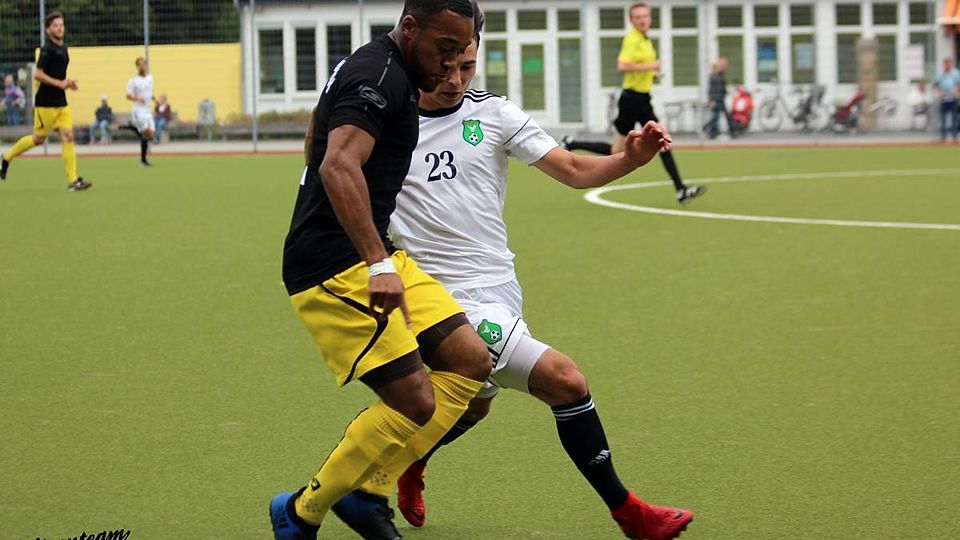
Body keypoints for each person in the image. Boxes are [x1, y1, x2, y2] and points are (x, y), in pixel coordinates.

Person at [332, 12, 694, 540]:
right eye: (446, 66)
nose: (455, 78)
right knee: (566, 381)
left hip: (500, 287)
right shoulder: (387, 124)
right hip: (442, 301)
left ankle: (411, 463)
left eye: (467, 66)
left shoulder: (494, 113)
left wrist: (629, 160)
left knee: (473, 408)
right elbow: (337, 177)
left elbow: (573, 169)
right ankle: (630, 512)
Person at [268, 2, 491, 540]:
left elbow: (317, 136)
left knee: (469, 361)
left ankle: (368, 492)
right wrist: (376, 262)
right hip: (333, 265)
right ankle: (302, 510)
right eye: (444, 49)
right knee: (414, 399)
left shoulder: (381, 65)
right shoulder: (379, 77)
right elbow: (336, 163)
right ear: (410, 28)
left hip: (373, 251)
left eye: (461, 53)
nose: (451, 66)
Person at [562, 2, 704, 204]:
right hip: (632, 101)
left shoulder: (645, 39)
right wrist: (651, 65)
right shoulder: (633, 39)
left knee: (640, 146)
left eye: (645, 16)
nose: (642, 20)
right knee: (649, 144)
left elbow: (637, 67)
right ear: (631, 20)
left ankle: (572, 143)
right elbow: (623, 66)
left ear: (650, 18)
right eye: (638, 17)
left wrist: (652, 73)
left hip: (642, 99)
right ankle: (680, 189)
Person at [0, 11, 91, 191]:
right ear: (48, 30)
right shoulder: (46, 50)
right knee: (38, 139)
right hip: (45, 103)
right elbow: (39, 74)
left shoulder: (64, 49)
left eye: (61, 25)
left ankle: (73, 181)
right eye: (55, 25)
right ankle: (6, 158)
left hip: (61, 103)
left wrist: (68, 83)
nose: (59, 28)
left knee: (68, 136)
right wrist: (60, 84)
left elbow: (58, 76)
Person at [124, 57, 156, 165]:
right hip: (138, 111)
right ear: (137, 66)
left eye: (144, 64)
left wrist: (155, 100)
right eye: (140, 65)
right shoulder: (133, 81)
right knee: (146, 133)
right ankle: (143, 160)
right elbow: (128, 96)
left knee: (151, 135)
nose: (142, 66)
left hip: (147, 111)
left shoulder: (150, 79)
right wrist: (138, 99)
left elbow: (150, 93)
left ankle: (132, 127)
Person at [931, 57, 960, 142]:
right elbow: (935, 84)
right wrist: (939, 92)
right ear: (944, 64)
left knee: (954, 118)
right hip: (943, 99)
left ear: (952, 64)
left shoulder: (956, 74)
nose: (947, 65)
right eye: (946, 63)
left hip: (953, 99)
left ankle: (955, 137)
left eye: (949, 63)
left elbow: (958, 84)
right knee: (943, 119)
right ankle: (943, 137)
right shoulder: (940, 74)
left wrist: (956, 91)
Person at [703, 57, 730, 139]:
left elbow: (722, 87)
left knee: (719, 116)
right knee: (716, 116)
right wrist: (711, 100)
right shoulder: (714, 76)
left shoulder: (720, 75)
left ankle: (713, 132)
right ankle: (706, 127)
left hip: (720, 98)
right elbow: (712, 89)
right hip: (716, 99)